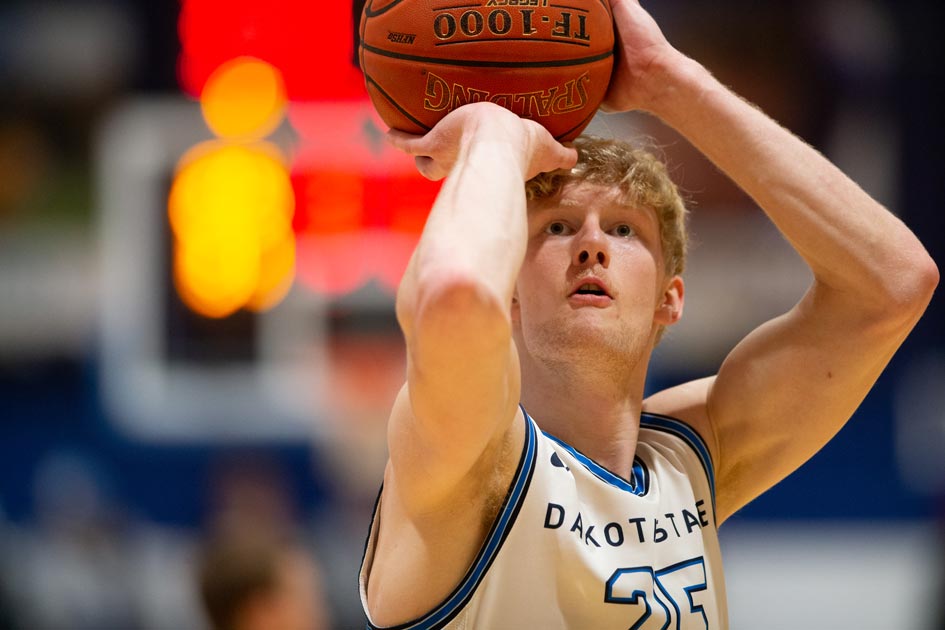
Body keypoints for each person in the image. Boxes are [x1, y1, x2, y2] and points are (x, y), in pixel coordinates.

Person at [358, 0, 939, 628]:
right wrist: (494, 135)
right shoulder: (467, 463)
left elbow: (894, 285)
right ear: (511, 287)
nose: (592, 244)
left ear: (670, 298)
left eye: (624, 230)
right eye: (556, 227)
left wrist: (668, 79)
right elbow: (452, 297)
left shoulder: (691, 460)